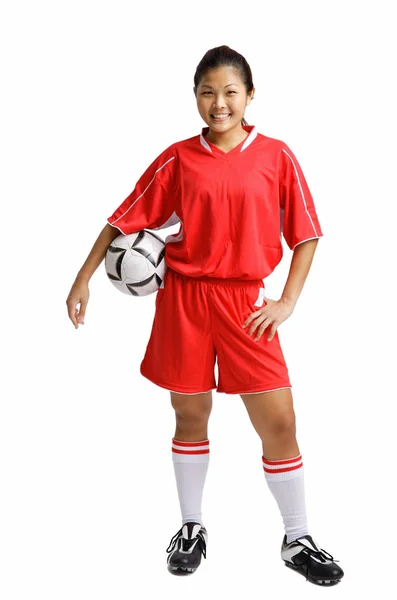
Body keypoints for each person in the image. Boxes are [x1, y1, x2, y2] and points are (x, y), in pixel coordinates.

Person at [66, 45, 344, 586]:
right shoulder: (177, 157)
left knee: (280, 421)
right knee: (190, 418)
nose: (219, 103)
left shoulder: (277, 156)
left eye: (230, 92)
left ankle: (297, 537)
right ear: (195, 97)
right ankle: (191, 528)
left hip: (246, 304)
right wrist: (82, 278)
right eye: (207, 92)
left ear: (250, 95)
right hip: (185, 301)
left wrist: (286, 301)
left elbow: (307, 233)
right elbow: (121, 218)